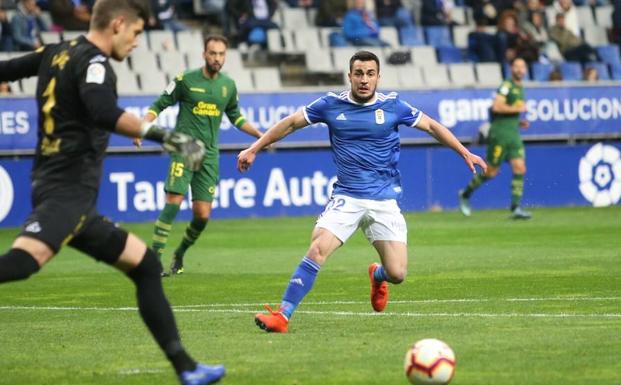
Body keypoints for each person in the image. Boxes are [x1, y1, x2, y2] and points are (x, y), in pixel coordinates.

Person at [0, 0, 225, 383]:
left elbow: (6, 68)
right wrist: (169, 138)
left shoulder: (55, 50)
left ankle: (187, 369)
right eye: (136, 33)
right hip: (66, 192)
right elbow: (103, 111)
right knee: (21, 264)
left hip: (71, 197)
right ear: (118, 24)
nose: (137, 42)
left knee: (146, 267)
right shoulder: (96, 63)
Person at [237, 50, 487, 333]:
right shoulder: (331, 104)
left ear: (379, 77)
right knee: (318, 248)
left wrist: (464, 151)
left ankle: (377, 275)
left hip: (384, 200)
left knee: (398, 273)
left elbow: (431, 126)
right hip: (348, 197)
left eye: (370, 74)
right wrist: (254, 147)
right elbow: (292, 122)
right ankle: (283, 315)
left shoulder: (394, 106)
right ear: (350, 76)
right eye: (359, 74)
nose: (364, 80)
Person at [138, 34, 262, 276]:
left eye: (221, 54)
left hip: (209, 155)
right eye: (213, 53)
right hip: (184, 147)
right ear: (204, 54)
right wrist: (142, 127)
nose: (217, 58)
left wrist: (260, 135)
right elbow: (159, 104)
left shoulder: (228, 86)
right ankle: (154, 259)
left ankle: (180, 253)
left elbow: (236, 117)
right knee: (174, 201)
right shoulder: (185, 80)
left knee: (202, 215)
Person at [458, 57, 532, 220]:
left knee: (520, 167)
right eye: (517, 66)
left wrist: (518, 121)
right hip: (499, 135)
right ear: (512, 69)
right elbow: (497, 106)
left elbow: (506, 112)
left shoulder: (520, 88)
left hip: (513, 134)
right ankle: (465, 193)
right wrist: (517, 108)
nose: (520, 70)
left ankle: (515, 208)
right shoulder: (506, 85)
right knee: (491, 172)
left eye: (522, 66)